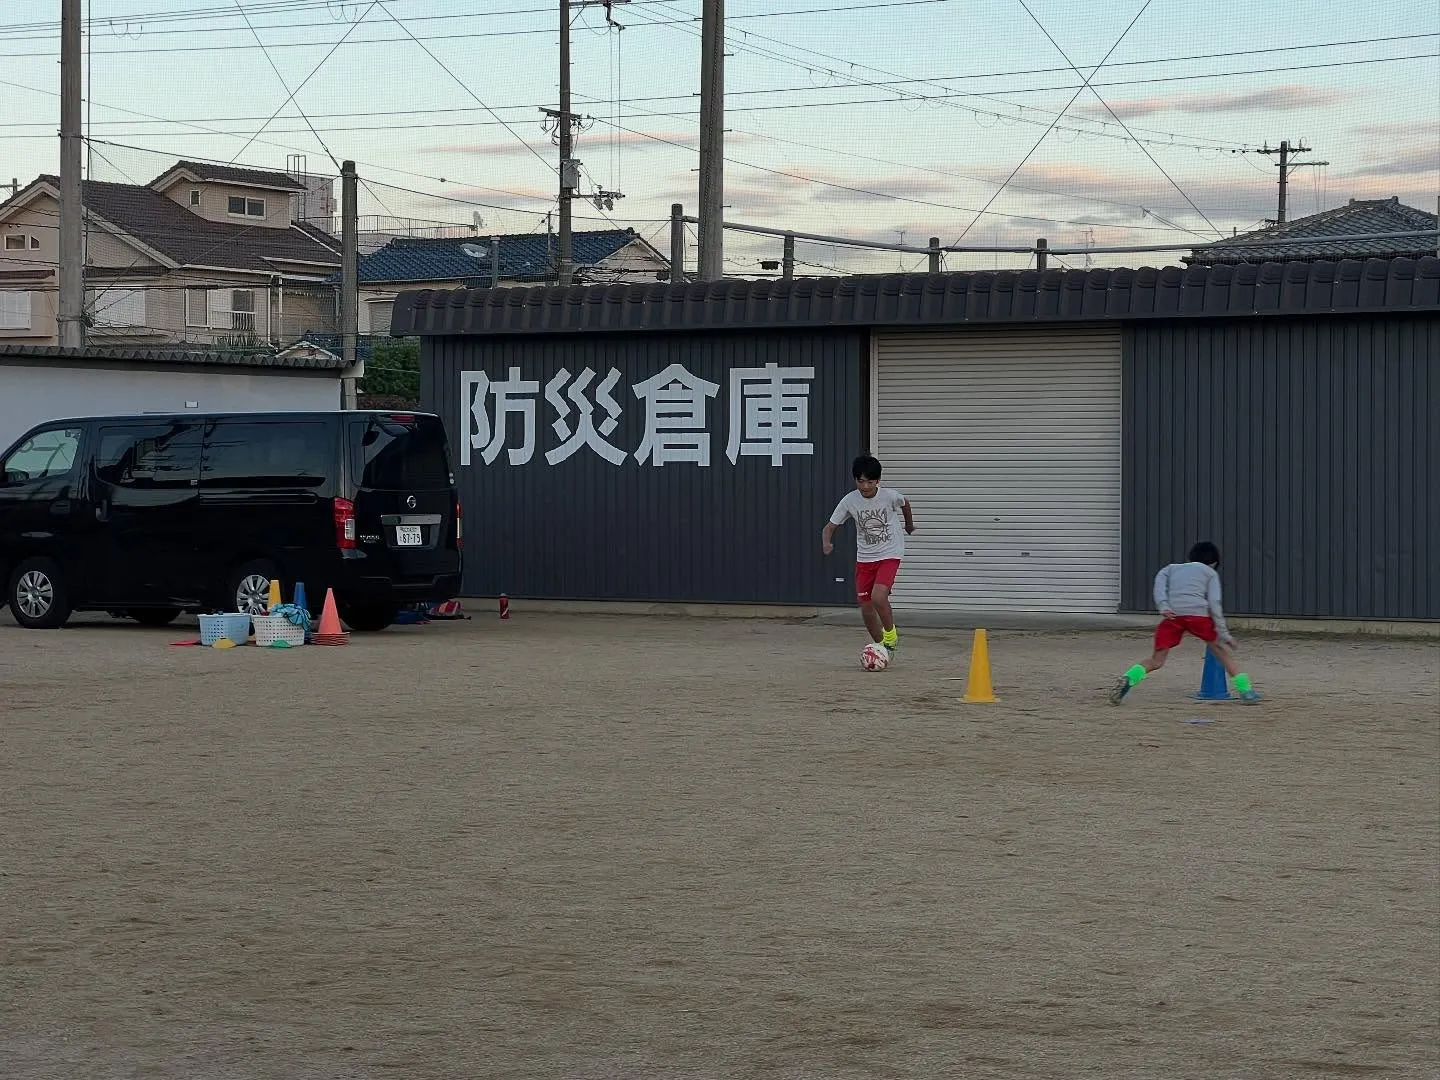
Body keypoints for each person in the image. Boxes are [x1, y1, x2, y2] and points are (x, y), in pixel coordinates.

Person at [1110, 541, 1260, 704]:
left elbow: (1159, 582)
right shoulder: (1210, 573)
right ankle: (1246, 691)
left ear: (1190, 557)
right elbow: (1214, 603)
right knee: (1222, 654)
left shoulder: (1171, 568)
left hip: (1173, 616)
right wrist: (1225, 634)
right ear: (1214, 563)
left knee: (1156, 660)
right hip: (1198, 616)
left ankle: (1129, 677)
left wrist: (1164, 606)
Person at [822, 454, 914, 654]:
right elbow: (830, 526)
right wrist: (827, 542)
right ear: (855, 480)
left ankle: (890, 635)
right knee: (866, 608)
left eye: (869, 482)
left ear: (878, 481)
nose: (864, 486)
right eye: (860, 481)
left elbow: (904, 503)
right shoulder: (849, 501)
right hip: (865, 557)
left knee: (878, 597)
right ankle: (882, 648)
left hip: (890, 552)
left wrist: (908, 524)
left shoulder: (889, 496)